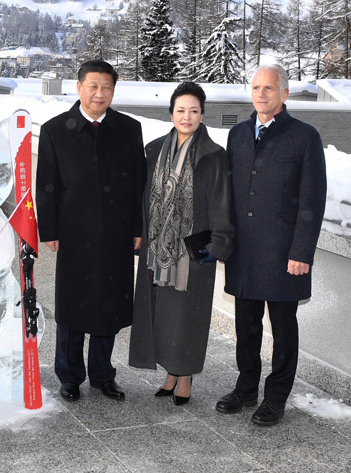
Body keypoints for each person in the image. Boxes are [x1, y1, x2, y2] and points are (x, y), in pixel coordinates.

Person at [216, 65, 327, 426]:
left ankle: (275, 397)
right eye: (256, 87)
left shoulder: (304, 137)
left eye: (269, 88)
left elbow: (312, 199)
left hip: (283, 254)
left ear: (284, 94)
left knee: (283, 329)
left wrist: (301, 252)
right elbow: (229, 194)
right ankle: (246, 387)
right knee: (246, 325)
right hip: (244, 252)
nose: (261, 94)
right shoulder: (237, 134)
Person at [35, 60, 145, 402]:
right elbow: (47, 185)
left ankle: (102, 374)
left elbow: (139, 183)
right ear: (79, 87)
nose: (99, 93)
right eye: (93, 86)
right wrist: (50, 230)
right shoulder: (55, 130)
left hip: (116, 234)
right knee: (72, 306)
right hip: (73, 234)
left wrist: (138, 228)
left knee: (107, 306)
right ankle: (69, 376)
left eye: (107, 87)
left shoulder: (129, 128)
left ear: (114, 90)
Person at [128, 82, 234, 405]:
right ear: (171, 112)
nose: (186, 117)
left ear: (202, 114)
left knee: (188, 315)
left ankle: (184, 376)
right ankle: (170, 373)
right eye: (180, 110)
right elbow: (144, 196)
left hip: (192, 250)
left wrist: (218, 245)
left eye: (194, 111)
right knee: (163, 314)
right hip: (159, 248)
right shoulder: (155, 149)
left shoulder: (213, 156)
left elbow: (221, 203)